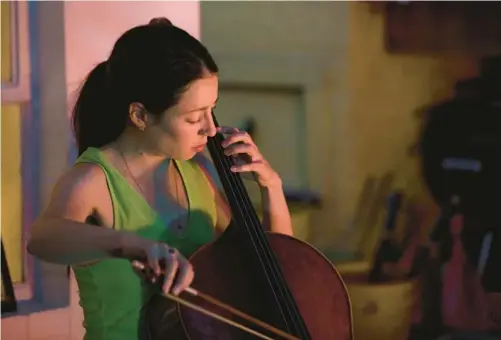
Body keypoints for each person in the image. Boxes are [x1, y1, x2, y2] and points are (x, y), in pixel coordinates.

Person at [27, 17, 293, 340]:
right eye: (194, 117)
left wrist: (271, 186)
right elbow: (43, 238)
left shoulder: (199, 173)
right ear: (140, 115)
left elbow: (274, 274)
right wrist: (133, 245)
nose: (210, 129)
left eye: (212, 110)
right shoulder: (92, 180)